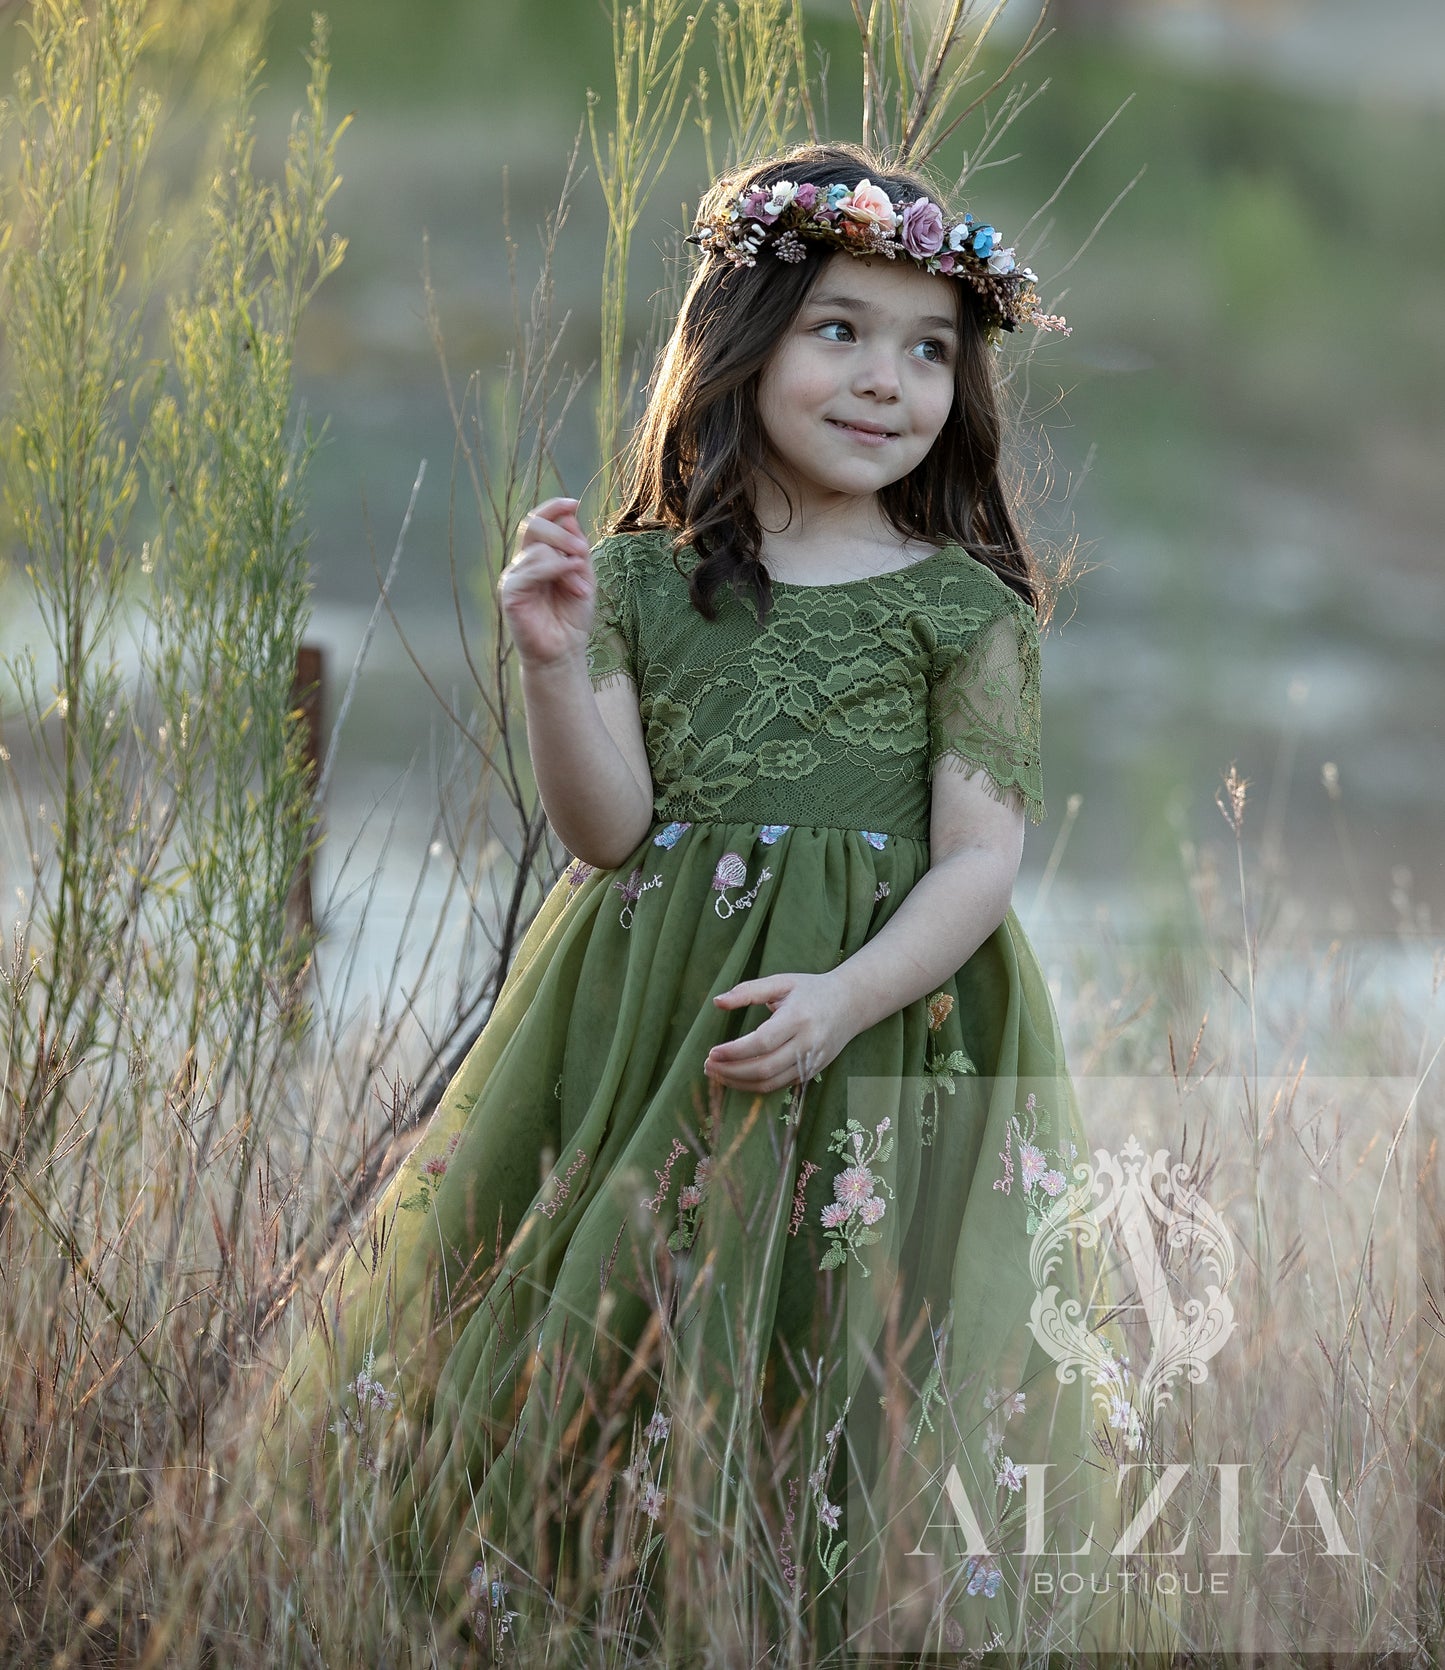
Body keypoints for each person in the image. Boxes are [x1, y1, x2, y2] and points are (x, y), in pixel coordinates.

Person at [260, 142, 1172, 1662]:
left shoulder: (966, 609)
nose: (890, 380)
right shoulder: (635, 585)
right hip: (657, 1026)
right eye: (840, 330)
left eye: (928, 349)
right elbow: (607, 828)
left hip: (880, 1031)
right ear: (737, 337)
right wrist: (550, 662)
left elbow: (979, 863)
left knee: (843, 1350)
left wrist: (842, 997)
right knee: (620, 1308)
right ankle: (582, 1606)